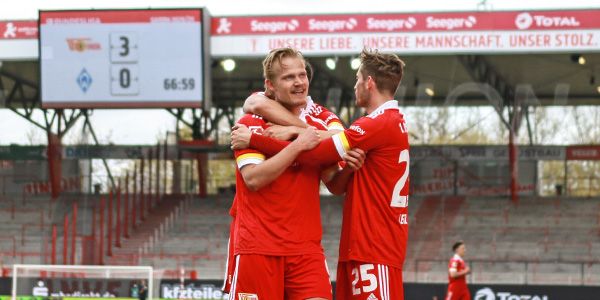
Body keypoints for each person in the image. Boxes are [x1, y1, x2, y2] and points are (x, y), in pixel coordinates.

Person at [232, 48, 410, 299]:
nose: (298, 82)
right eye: (288, 77)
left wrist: (348, 166)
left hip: (306, 251)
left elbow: (336, 185)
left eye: (302, 75)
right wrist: (301, 140)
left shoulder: (324, 120)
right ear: (269, 86)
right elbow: (253, 179)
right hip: (259, 247)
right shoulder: (251, 122)